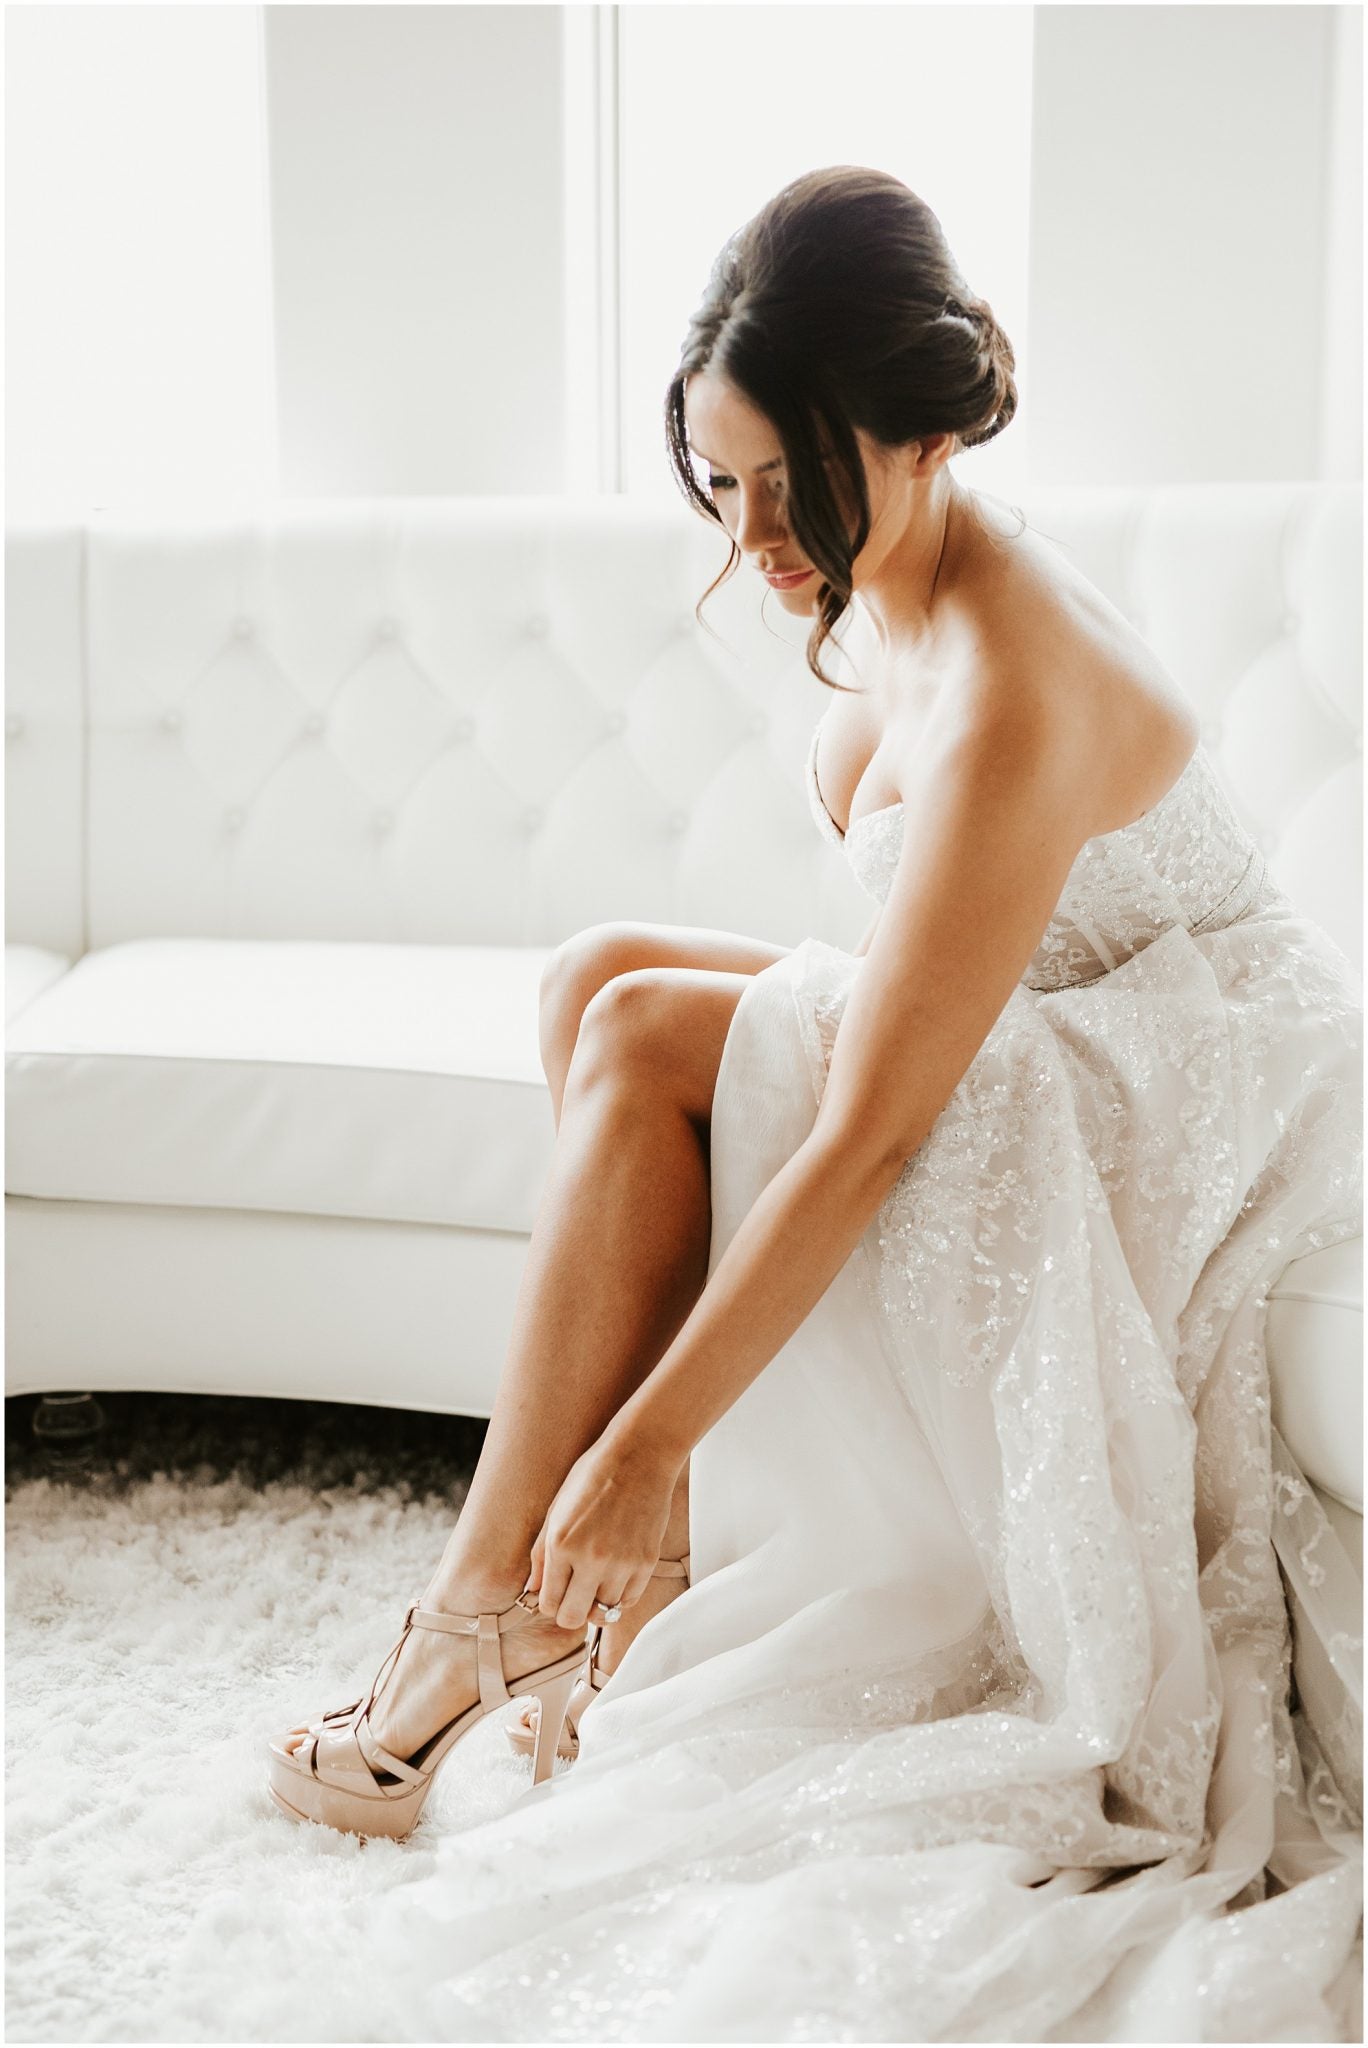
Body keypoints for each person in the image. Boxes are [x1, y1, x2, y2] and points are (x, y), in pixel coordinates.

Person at [264, 167, 1363, 2039]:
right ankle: (572, 1574)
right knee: (597, 973)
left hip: (1177, 1099)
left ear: (923, 426)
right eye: (723, 480)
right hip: (1040, 1032)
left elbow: (862, 1130)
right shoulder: (880, 576)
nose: (760, 537)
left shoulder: (1021, 672)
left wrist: (645, 1442)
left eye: (794, 482)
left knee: (640, 1040)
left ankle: (495, 1591)